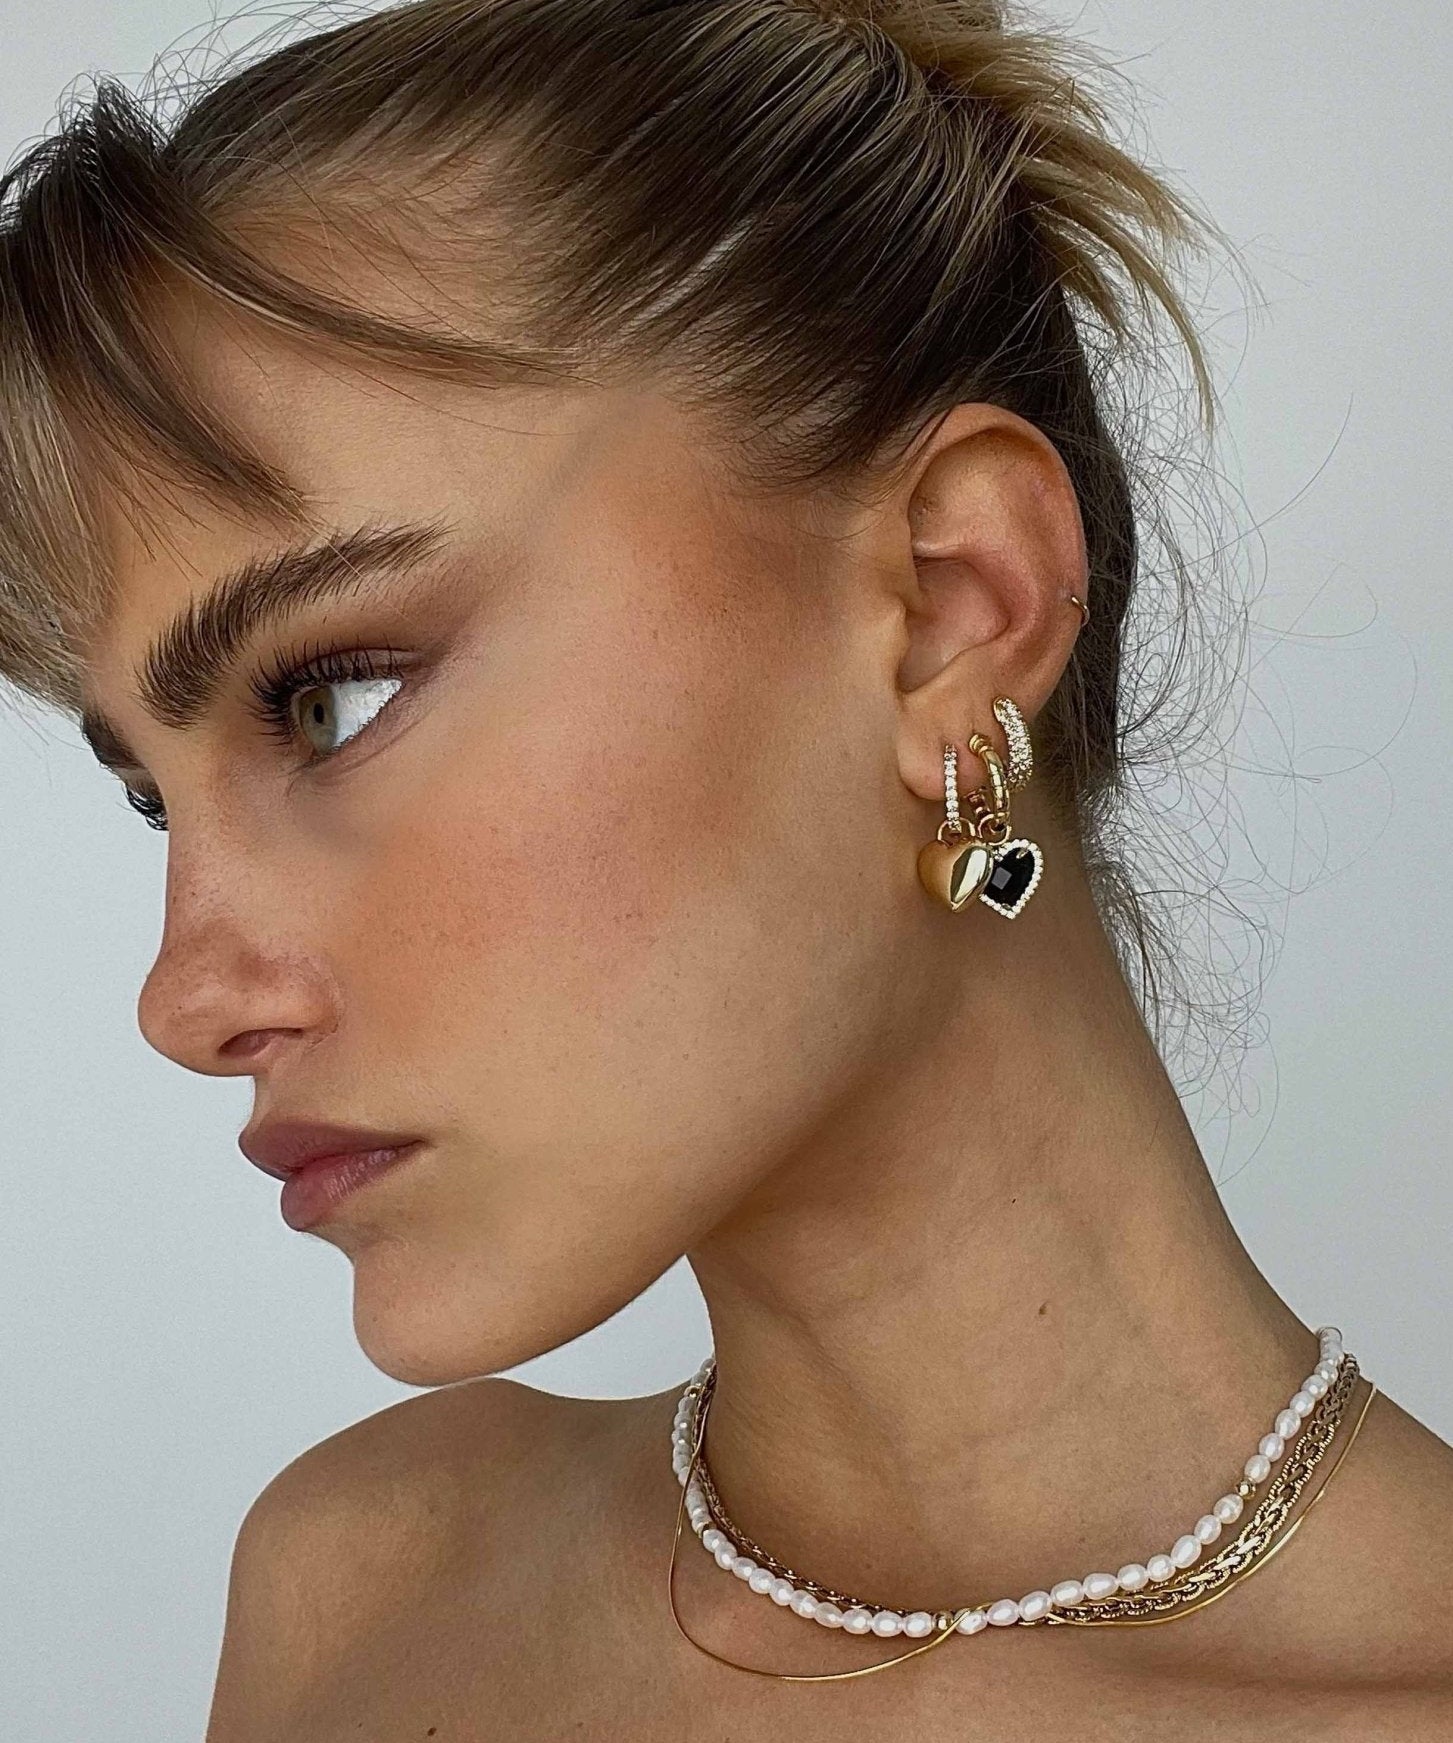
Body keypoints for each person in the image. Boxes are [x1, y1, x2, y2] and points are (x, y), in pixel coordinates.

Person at [2, 0, 1450, 1735]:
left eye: (333, 702)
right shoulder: (359, 1597)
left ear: (950, 610)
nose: (185, 1002)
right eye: (152, 799)